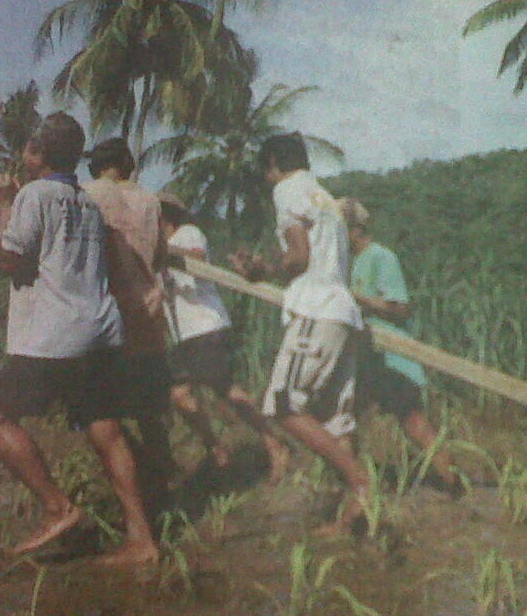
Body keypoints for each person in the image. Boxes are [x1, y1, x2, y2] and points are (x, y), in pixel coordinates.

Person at [0, 113, 157, 566]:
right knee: (107, 430)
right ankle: (142, 540)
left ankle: (58, 507)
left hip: (53, 337)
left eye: (30, 148)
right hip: (98, 330)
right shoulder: (87, 202)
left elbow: (13, 261)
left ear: (37, 154)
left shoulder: (34, 195)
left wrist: (3, 205)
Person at [230, 133, 371, 536]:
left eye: (265, 170)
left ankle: (360, 483)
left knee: (284, 406)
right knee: (338, 420)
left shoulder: (288, 190)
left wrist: (262, 269)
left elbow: (297, 256)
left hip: (315, 308)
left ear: (273, 164)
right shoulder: (324, 197)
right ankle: (350, 519)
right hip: (342, 313)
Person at [158, 192, 290, 478]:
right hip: (184, 334)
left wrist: (160, 250)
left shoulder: (188, 233)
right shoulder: (158, 248)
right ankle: (217, 450)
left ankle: (273, 442)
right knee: (180, 394)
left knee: (226, 391)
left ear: (165, 215)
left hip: (207, 325)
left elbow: (197, 257)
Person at [340, 198, 463, 497]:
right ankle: (353, 486)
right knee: (347, 419)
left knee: (414, 423)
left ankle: (455, 485)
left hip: (392, 355)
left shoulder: (381, 257)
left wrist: (356, 298)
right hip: (368, 355)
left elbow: (400, 308)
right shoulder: (353, 262)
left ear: (355, 228)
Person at [82, 138, 175, 492]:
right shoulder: (149, 200)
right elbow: (161, 255)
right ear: (127, 164)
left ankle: (133, 481)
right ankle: (161, 472)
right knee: (149, 409)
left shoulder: (88, 194)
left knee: (101, 410)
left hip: (106, 309)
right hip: (147, 307)